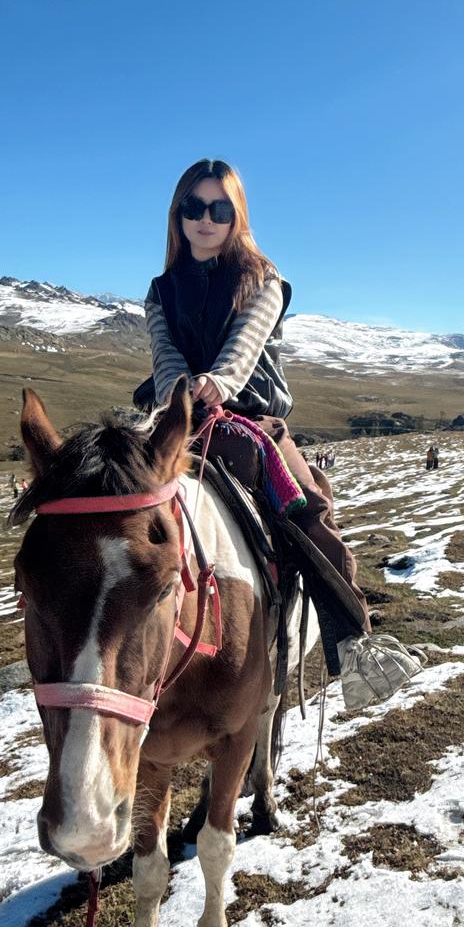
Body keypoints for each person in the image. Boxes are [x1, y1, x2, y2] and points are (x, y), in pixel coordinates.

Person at [141, 158, 422, 710]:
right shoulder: (160, 290)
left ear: (236, 214)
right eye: (192, 207)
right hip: (177, 418)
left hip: (248, 416)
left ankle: (354, 643)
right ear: (177, 215)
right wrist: (179, 395)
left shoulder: (264, 279)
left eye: (218, 208)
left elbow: (244, 347)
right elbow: (162, 351)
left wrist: (217, 383)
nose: (204, 219)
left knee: (306, 505)